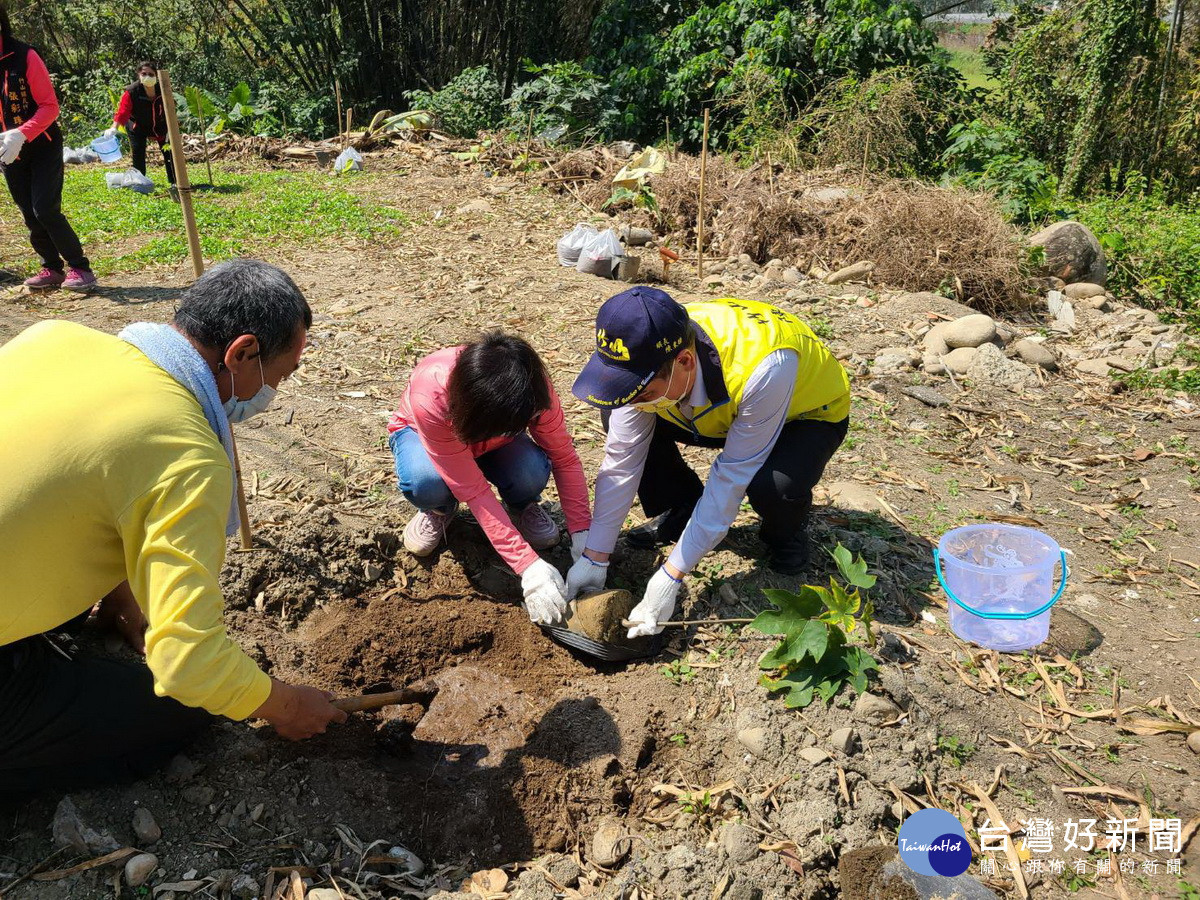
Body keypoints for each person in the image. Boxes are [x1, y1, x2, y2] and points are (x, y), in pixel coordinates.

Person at [0, 258, 347, 798]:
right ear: (242, 352)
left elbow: (73, 483)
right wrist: (287, 705)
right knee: (177, 715)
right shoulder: (186, 454)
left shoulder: (54, 337)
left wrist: (118, 592)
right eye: (279, 376)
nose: (273, 392)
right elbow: (188, 665)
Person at [565, 288, 851, 638]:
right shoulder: (648, 352)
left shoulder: (765, 366)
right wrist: (595, 556)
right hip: (709, 410)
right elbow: (621, 462)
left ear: (684, 361)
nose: (635, 402)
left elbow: (731, 476)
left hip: (802, 414)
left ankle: (785, 535)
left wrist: (672, 575)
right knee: (619, 418)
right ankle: (681, 507)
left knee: (774, 486)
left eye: (643, 393)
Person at [388, 333, 591, 625]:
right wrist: (528, 567)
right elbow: (474, 491)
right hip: (428, 436)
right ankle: (439, 510)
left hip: (496, 438)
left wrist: (584, 536)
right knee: (426, 482)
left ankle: (522, 505)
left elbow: (564, 457)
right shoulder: (431, 395)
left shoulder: (531, 389)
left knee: (530, 470)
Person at [0, 4, 96, 291]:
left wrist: (22, 133)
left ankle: (80, 267)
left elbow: (49, 106)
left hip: (42, 146)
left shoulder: (24, 55)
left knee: (45, 209)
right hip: (7, 151)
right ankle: (51, 268)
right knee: (28, 212)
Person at [105, 60, 176, 191]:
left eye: (151, 74)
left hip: (160, 127)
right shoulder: (132, 92)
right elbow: (123, 111)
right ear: (139, 74)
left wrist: (172, 127)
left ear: (156, 76)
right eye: (144, 73)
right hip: (137, 127)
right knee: (138, 153)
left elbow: (171, 108)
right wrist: (113, 128)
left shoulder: (163, 90)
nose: (147, 77)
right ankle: (139, 183)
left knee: (169, 153)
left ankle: (175, 182)